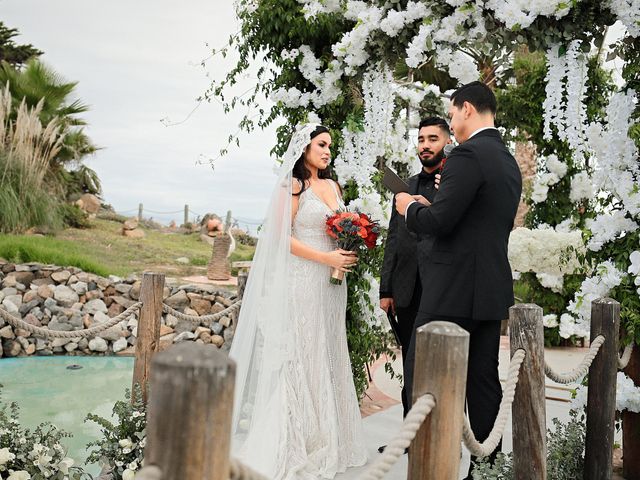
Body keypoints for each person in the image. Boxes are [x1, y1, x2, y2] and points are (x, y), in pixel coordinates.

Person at [394, 81, 522, 479]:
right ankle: (487, 471)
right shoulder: (506, 160)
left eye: (451, 113)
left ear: (467, 109)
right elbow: (476, 223)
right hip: (489, 288)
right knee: (483, 382)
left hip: (451, 291)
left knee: (424, 379)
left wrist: (409, 207)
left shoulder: (467, 155)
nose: (451, 120)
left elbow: (438, 222)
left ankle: (432, 467)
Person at [229, 124, 367, 480]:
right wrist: (327, 259)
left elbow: (340, 226)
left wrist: (348, 247)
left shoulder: (333, 187)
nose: (327, 151)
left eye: (330, 146)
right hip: (304, 279)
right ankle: (296, 440)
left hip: (332, 285)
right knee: (304, 353)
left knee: (327, 350)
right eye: (321, 144)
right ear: (304, 147)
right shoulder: (294, 186)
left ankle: (329, 437)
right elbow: (280, 238)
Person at [379, 117, 451, 420]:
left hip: (443, 287)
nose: (425, 145)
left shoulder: (453, 183)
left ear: (447, 141)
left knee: (442, 365)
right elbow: (393, 238)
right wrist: (386, 289)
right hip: (408, 289)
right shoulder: (405, 185)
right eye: (421, 139)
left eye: (432, 139)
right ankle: (409, 436)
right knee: (410, 362)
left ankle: (442, 438)